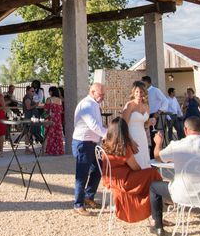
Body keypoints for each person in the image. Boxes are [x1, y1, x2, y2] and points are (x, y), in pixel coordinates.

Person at [150, 116, 200, 236]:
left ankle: (158, 227)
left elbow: (158, 156)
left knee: (153, 187)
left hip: (182, 195)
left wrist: (158, 143)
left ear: (185, 130)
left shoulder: (177, 145)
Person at [102, 117, 161, 223]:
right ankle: (158, 209)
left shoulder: (105, 144)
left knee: (149, 176)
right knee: (152, 173)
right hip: (124, 181)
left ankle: (156, 208)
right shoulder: (123, 147)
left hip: (111, 179)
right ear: (125, 131)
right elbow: (136, 168)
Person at [72, 83, 107, 216]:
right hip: (83, 143)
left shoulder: (94, 104)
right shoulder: (86, 105)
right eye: (100, 94)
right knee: (82, 174)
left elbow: (98, 125)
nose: (102, 96)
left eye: (103, 94)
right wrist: (109, 134)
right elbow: (94, 125)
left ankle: (88, 196)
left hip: (92, 143)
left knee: (98, 169)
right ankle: (78, 204)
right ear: (92, 92)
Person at [122, 81, 151, 170]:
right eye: (137, 92)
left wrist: (149, 123)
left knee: (144, 159)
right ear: (133, 92)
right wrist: (130, 141)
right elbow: (123, 125)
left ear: (144, 93)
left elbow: (145, 125)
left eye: (141, 92)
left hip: (142, 136)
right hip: (131, 136)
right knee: (136, 160)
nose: (139, 94)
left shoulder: (146, 106)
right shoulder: (129, 105)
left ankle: (145, 180)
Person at [141, 76, 168, 158]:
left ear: (149, 83)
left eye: (144, 83)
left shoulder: (156, 90)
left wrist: (159, 112)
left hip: (155, 115)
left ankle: (156, 155)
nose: (143, 85)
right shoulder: (143, 92)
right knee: (148, 136)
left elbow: (165, 101)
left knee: (155, 136)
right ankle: (150, 155)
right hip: (147, 115)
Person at [44, 86, 64, 156]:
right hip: (58, 119)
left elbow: (46, 110)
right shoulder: (59, 100)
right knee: (58, 134)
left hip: (51, 118)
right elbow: (61, 110)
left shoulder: (49, 99)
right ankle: (58, 150)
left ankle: (50, 150)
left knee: (50, 134)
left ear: (51, 92)